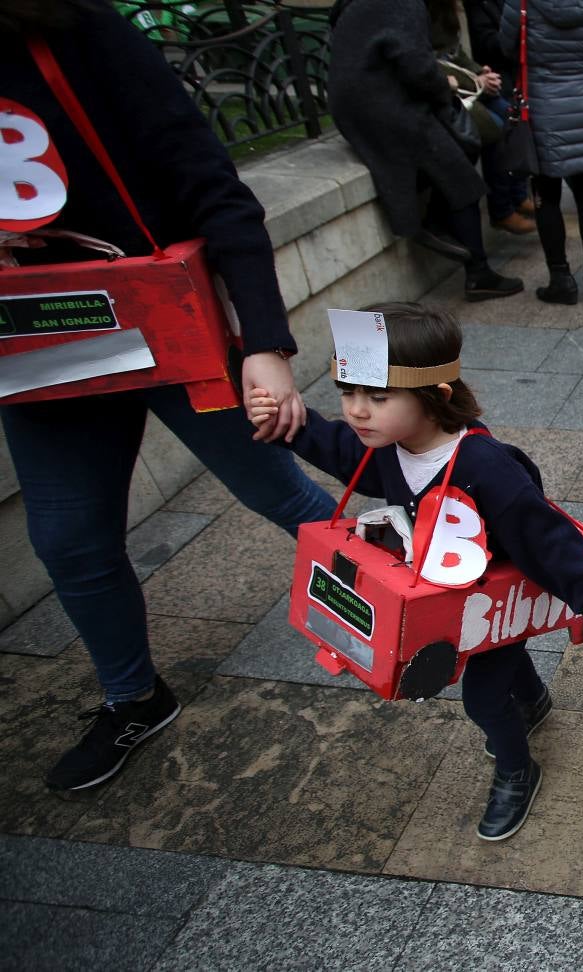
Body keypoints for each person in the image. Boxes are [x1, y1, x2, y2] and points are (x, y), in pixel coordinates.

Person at [1, 0, 337, 790]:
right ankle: (134, 697)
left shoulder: (80, 28)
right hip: (36, 349)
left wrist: (263, 342)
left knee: (282, 495)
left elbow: (211, 184)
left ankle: (433, 614)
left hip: (160, 322)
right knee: (69, 541)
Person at [250, 303, 583, 840]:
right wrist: (289, 421)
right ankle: (534, 699)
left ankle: (517, 768)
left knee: (484, 696)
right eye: (348, 393)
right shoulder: (388, 443)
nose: (356, 412)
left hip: (497, 595)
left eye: (377, 398)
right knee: (497, 667)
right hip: (445, 591)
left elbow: (548, 541)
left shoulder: (486, 468)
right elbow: (334, 447)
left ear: (436, 397)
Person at [328, 0, 523, 301]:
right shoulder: (406, 3)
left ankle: (444, 230)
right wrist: (446, 86)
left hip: (362, 101)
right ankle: (476, 270)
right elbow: (415, 64)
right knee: (459, 173)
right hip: (382, 104)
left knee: (458, 151)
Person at [501, 0, 583, 304]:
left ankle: (561, 279)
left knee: (545, 197)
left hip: (543, 108)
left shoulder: (520, 3)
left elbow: (505, 45)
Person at [462, 0, 537, 235]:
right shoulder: (477, 6)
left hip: (495, 74)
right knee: (503, 121)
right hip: (485, 79)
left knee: (517, 118)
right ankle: (502, 209)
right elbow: (486, 43)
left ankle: (518, 195)